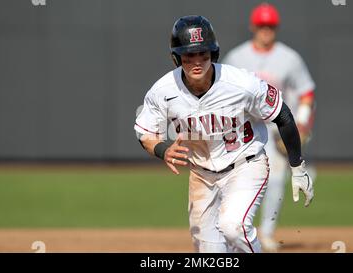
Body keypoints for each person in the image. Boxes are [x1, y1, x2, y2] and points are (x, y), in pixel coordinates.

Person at [134, 15, 313, 253]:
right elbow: (145, 132)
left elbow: (282, 114)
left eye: (203, 54)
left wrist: (297, 166)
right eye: (189, 56)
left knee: (234, 226)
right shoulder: (163, 91)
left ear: (214, 54)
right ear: (176, 58)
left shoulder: (241, 84)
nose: (197, 62)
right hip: (201, 176)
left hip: (245, 165)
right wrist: (162, 149)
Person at [223, 3, 317, 252]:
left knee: (276, 178)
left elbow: (306, 92)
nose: (266, 30)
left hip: (277, 129)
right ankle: (237, 230)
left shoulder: (290, 58)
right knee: (233, 179)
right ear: (253, 26)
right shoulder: (236, 57)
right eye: (262, 25)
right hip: (246, 130)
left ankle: (266, 232)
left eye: (270, 26)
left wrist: (303, 121)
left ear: (276, 28)